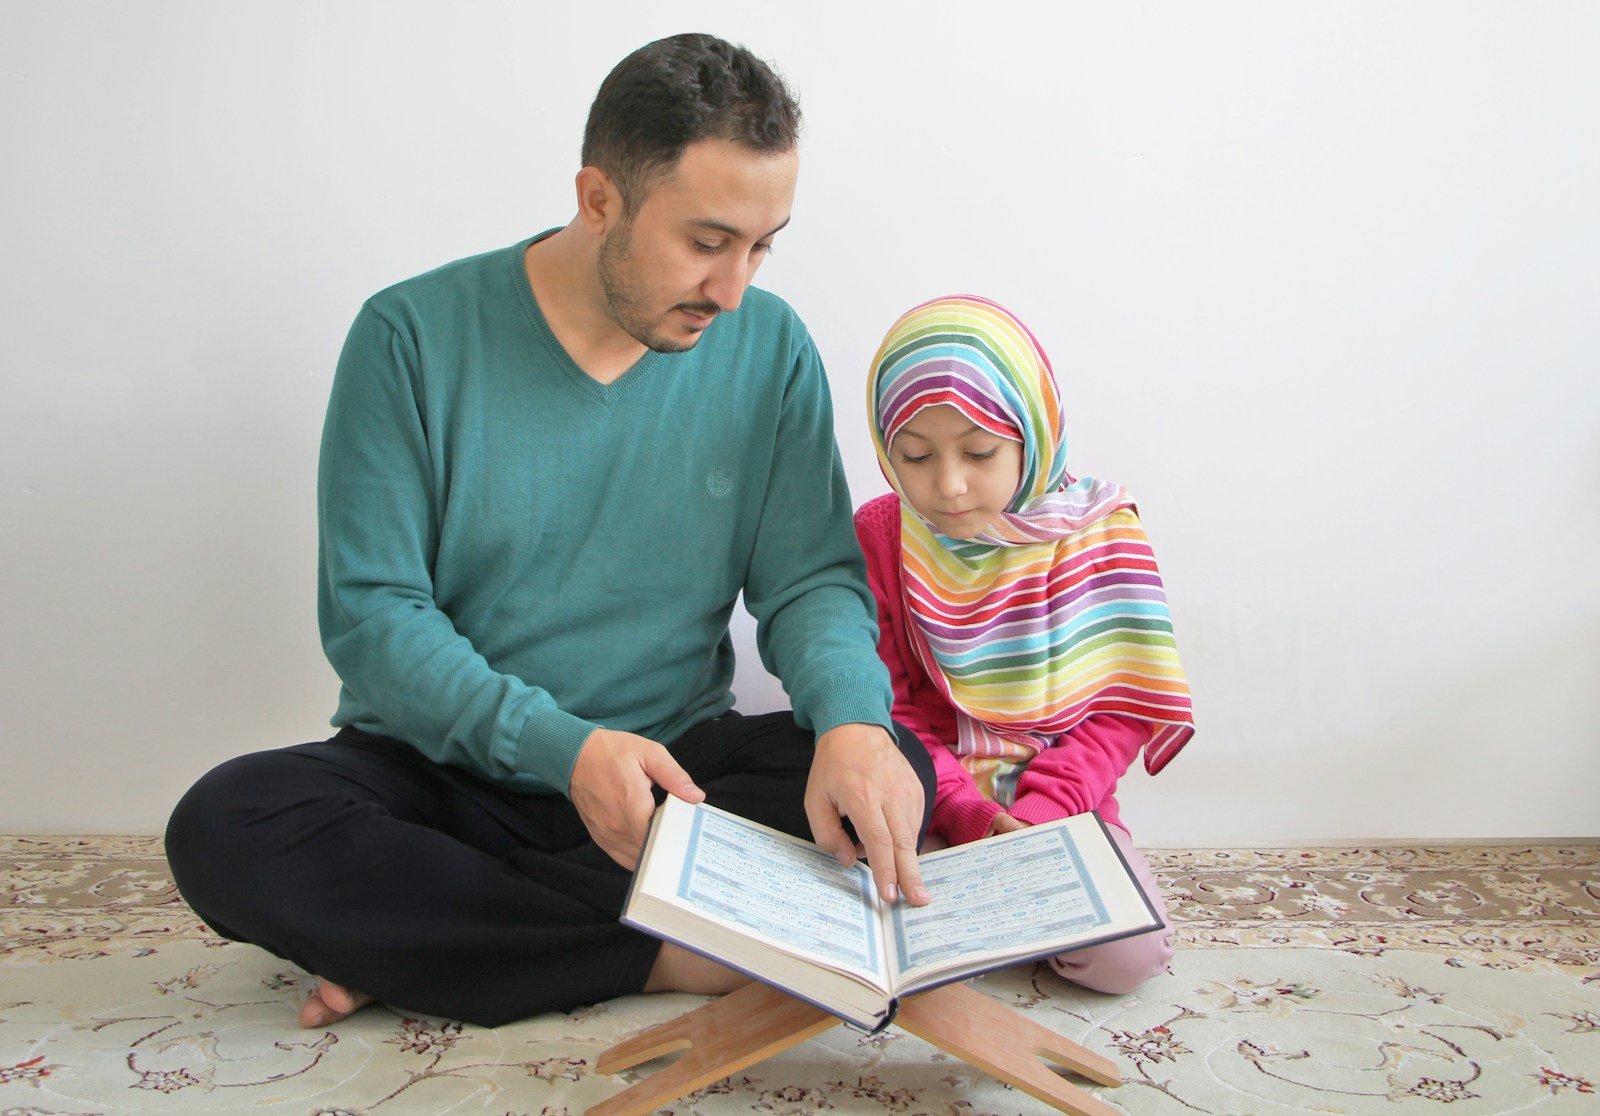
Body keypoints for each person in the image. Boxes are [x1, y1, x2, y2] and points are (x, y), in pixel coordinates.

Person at [165, 32, 934, 1031]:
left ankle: (438, 941)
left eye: (762, 245)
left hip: (670, 775)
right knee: (229, 824)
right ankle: (661, 952)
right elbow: (373, 619)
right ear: (599, 199)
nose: (734, 289)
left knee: (888, 761)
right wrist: (564, 751)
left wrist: (853, 726)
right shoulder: (408, 338)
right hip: (442, 775)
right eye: (706, 243)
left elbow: (809, 582)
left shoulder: (770, 345)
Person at [854, 294, 1195, 994]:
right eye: (914, 455)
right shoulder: (883, 535)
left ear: (1033, 433)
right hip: (927, 797)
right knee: (858, 923)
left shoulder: (1101, 532)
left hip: (1065, 808)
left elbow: (1122, 710)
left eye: (980, 452)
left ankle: (1010, 918)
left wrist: (1041, 818)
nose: (948, 485)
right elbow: (888, 705)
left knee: (1127, 959)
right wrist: (967, 814)